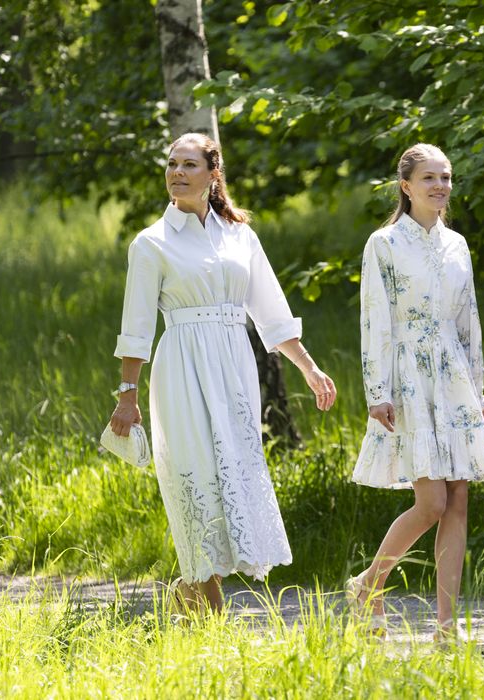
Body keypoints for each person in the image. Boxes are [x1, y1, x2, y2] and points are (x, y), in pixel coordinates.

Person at [109, 132, 337, 615]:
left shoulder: (241, 236)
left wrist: (311, 370)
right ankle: (211, 619)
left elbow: (272, 314)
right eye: (172, 163)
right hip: (182, 370)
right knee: (197, 480)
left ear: (214, 174)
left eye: (189, 164)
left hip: (234, 371)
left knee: (231, 474)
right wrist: (127, 395)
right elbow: (136, 327)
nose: (177, 172)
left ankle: (185, 596)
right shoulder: (150, 243)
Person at [347, 143, 484, 641]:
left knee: (458, 501)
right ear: (406, 186)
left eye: (446, 177)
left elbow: (469, 323)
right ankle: (368, 584)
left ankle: (446, 626)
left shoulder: (457, 244)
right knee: (432, 502)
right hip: (407, 377)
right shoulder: (385, 243)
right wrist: (378, 390)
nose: (440, 185)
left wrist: (477, 391)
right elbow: (374, 319)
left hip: (453, 377)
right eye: (429, 178)